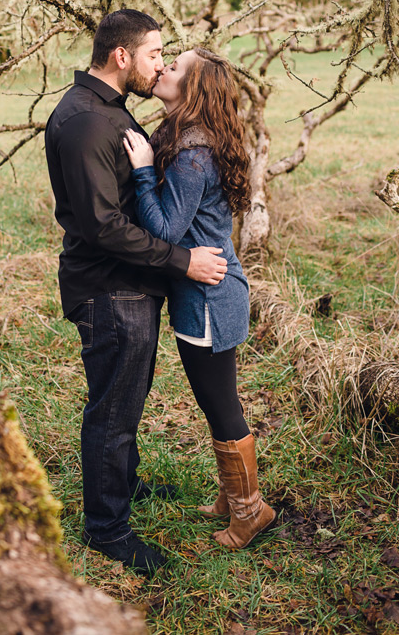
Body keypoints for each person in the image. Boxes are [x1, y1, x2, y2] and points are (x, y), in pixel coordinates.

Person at [45, 9, 228, 575]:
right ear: (121, 56)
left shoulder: (108, 110)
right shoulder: (85, 123)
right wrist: (183, 262)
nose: (159, 64)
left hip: (130, 285)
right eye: (154, 54)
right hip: (109, 289)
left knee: (127, 398)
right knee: (114, 410)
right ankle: (108, 529)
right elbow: (104, 225)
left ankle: (120, 480)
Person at [123, 47, 275, 550]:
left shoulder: (192, 155)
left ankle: (250, 513)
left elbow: (166, 228)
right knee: (216, 403)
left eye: (175, 67)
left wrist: (144, 170)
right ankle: (233, 498)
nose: (163, 68)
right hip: (210, 289)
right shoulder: (191, 139)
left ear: (193, 90)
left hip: (209, 297)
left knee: (221, 404)